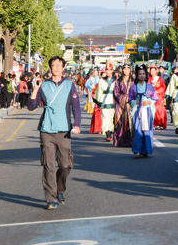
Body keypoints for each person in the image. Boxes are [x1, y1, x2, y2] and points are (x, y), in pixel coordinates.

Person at [27, 56, 81, 210]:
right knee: (48, 165)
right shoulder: (43, 86)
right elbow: (31, 106)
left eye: (59, 65)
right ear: (49, 68)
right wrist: (35, 89)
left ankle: (60, 188)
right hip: (46, 131)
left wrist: (77, 125)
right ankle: (50, 198)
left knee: (65, 165)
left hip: (64, 130)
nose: (56, 68)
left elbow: (76, 107)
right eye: (53, 65)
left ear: (63, 68)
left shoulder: (70, 85)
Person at [129, 65, 159, 158]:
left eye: (143, 74)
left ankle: (146, 150)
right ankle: (137, 150)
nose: (142, 76)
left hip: (147, 110)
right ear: (137, 75)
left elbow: (155, 98)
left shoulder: (150, 86)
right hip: (137, 110)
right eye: (140, 74)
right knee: (138, 130)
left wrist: (149, 102)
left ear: (145, 75)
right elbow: (130, 100)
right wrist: (136, 102)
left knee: (147, 130)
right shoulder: (133, 87)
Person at [113, 63, 134, 147]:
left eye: (128, 69)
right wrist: (124, 99)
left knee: (131, 122)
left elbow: (136, 91)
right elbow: (116, 92)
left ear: (130, 70)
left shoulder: (133, 81)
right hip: (121, 104)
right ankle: (120, 141)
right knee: (120, 122)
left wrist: (131, 99)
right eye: (124, 69)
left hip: (131, 103)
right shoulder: (118, 81)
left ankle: (131, 141)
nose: (126, 71)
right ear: (122, 70)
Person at [94, 69, 115, 141]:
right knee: (106, 118)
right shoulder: (102, 80)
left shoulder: (116, 80)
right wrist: (98, 102)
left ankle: (111, 132)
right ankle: (108, 134)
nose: (107, 72)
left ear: (112, 71)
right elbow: (99, 91)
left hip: (113, 100)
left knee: (112, 118)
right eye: (106, 70)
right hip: (104, 100)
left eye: (109, 70)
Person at [149, 63, 168, 130]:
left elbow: (163, 87)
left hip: (158, 96)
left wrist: (157, 91)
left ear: (156, 71)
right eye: (151, 71)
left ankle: (161, 123)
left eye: (154, 70)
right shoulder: (149, 79)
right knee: (152, 110)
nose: (153, 72)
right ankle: (154, 124)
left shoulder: (159, 79)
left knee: (160, 109)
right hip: (151, 96)